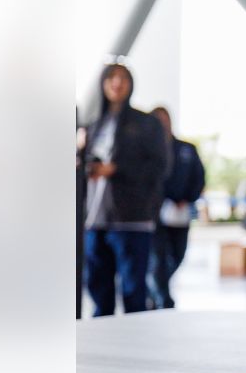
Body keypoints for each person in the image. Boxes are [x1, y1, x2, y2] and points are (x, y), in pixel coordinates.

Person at [82, 63, 171, 316]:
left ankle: (134, 344)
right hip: (95, 220)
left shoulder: (146, 124)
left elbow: (159, 166)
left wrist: (117, 169)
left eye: (122, 78)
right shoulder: (94, 126)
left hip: (131, 219)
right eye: (111, 78)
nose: (117, 83)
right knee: (98, 288)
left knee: (133, 291)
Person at [146, 107, 205, 310]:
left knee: (178, 255)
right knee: (159, 259)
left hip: (181, 212)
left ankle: (154, 288)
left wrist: (187, 198)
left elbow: (199, 178)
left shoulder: (187, 149)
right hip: (156, 213)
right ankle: (163, 299)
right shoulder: (147, 151)